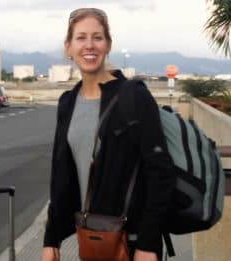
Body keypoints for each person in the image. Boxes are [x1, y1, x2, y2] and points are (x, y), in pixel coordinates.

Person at [42, 8, 175, 261]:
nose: (89, 45)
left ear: (108, 45)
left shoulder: (134, 96)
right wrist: (51, 240)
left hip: (133, 241)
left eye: (97, 37)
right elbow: (61, 175)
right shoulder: (67, 102)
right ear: (68, 47)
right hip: (92, 239)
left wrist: (148, 244)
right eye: (81, 38)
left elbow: (160, 173)